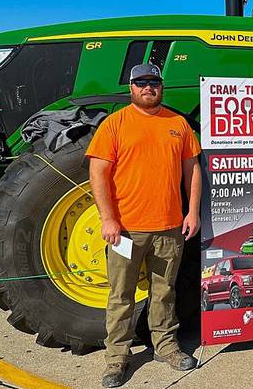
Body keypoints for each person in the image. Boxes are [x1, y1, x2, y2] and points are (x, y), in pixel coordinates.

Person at [87, 64, 202, 388]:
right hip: (126, 230)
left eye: (153, 82)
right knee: (120, 296)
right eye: (141, 82)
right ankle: (117, 358)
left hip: (169, 228)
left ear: (161, 87)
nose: (148, 87)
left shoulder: (178, 124)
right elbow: (98, 174)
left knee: (165, 292)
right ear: (131, 88)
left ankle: (166, 346)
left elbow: (192, 171)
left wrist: (192, 212)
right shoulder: (115, 124)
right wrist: (108, 218)